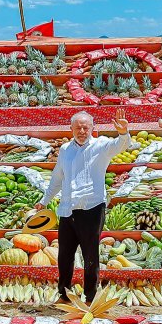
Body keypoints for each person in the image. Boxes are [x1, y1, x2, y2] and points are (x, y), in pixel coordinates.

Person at [35, 108, 132, 304]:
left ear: (92, 128)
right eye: (78, 127)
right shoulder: (65, 150)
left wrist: (123, 132)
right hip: (67, 209)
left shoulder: (101, 145)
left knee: (90, 256)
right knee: (64, 256)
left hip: (92, 208)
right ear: (71, 128)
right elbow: (57, 178)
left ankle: (90, 297)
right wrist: (44, 200)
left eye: (86, 127)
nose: (82, 131)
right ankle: (64, 294)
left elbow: (120, 145)